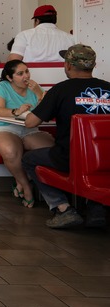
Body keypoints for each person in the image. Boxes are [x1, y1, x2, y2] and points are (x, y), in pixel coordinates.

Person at [23, 44, 110, 228]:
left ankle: (63, 209)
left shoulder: (61, 90)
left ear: (68, 66)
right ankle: (97, 208)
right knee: (98, 163)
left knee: (29, 159)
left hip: (69, 158)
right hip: (106, 159)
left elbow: (31, 122)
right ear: (92, 66)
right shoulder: (108, 88)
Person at [0, 60, 53, 208]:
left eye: (27, 72)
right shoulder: (1, 87)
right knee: (10, 151)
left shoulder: (35, 88)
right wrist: (16, 111)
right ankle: (27, 186)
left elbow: (47, 110)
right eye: (20, 74)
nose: (26, 76)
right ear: (10, 78)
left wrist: (38, 92)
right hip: (3, 128)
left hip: (29, 130)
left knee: (51, 149)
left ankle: (24, 181)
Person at [8, 5, 75, 62]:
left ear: (37, 20)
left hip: (32, 75)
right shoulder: (70, 37)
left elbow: (13, 61)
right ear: (55, 19)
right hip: (62, 76)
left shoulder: (24, 35)